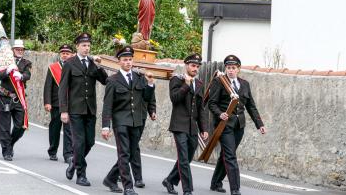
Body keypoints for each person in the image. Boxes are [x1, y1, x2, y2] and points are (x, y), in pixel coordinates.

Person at [208, 55, 266, 195]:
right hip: (224, 125)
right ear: (225, 68)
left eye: (233, 68)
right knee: (230, 156)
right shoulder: (219, 82)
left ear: (238, 69)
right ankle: (235, 189)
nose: (231, 70)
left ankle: (215, 183)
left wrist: (260, 124)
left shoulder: (244, 84)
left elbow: (251, 106)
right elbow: (212, 103)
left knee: (226, 154)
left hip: (239, 126)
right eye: (228, 67)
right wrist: (219, 113)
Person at [102, 45, 155, 195]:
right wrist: (106, 126)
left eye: (130, 60)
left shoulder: (139, 78)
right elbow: (107, 106)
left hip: (136, 122)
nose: (128, 62)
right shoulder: (112, 80)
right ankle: (128, 187)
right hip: (121, 122)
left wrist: (150, 84)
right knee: (124, 154)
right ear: (119, 62)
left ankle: (110, 178)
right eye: (125, 60)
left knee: (130, 154)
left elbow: (146, 98)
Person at [59, 32, 108, 186]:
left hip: (90, 109)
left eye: (88, 45)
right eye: (84, 45)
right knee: (79, 142)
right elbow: (63, 88)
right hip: (75, 110)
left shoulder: (93, 63)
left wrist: (99, 66)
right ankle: (81, 174)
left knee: (90, 142)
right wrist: (64, 110)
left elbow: (105, 81)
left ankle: (74, 162)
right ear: (77, 46)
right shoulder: (70, 63)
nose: (87, 48)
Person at [162, 53, 208, 195]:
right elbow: (175, 99)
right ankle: (187, 190)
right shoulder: (176, 80)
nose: (195, 68)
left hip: (192, 127)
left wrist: (203, 128)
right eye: (193, 65)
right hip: (179, 125)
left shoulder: (199, 84)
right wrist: (186, 85)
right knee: (183, 158)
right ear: (186, 65)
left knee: (187, 158)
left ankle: (170, 180)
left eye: (197, 66)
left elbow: (201, 108)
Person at [0, 39, 32, 161]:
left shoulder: (26, 63)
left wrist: (21, 76)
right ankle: (7, 151)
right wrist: (7, 71)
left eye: (21, 49)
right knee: (4, 127)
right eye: (17, 49)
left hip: (18, 98)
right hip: (4, 97)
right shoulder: (5, 61)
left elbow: (28, 75)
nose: (20, 51)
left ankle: (9, 144)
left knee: (21, 126)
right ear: (13, 50)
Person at [43, 44, 74, 162]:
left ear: (72, 55)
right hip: (56, 104)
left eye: (67, 53)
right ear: (60, 54)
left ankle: (68, 154)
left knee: (69, 130)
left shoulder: (74, 67)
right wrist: (47, 102)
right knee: (55, 128)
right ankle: (52, 151)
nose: (65, 55)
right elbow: (48, 86)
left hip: (70, 103)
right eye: (63, 53)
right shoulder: (53, 67)